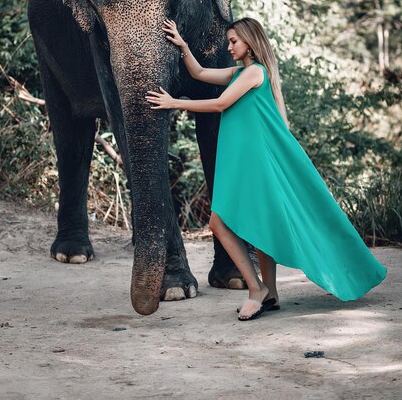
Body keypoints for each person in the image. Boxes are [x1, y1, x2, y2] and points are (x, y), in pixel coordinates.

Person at [145, 17, 387, 321]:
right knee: (258, 225)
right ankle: (269, 293)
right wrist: (182, 44)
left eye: (234, 41)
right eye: (229, 41)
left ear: (250, 42)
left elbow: (220, 104)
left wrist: (173, 104)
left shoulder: (255, 73)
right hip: (244, 161)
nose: (229, 46)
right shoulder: (239, 73)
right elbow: (199, 72)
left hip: (255, 162)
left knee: (218, 223)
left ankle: (256, 290)